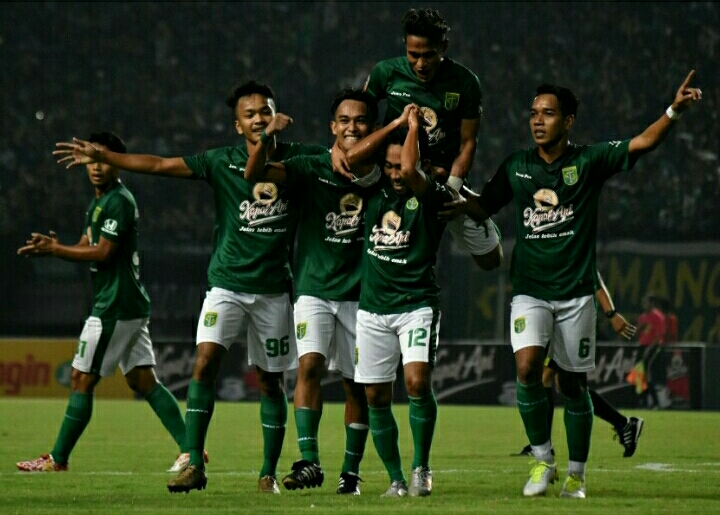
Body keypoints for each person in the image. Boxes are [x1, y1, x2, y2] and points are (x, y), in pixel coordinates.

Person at [54, 82, 328, 494]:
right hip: (226, 286)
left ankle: (267, 473)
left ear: (276, 113)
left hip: (274, 290)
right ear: (237, 126)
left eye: (264, 111)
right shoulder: (221, 162)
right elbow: (160, 165)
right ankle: (194, 463)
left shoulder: (302, 159)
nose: (258, 118)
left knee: (271, 382)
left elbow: (341, 167)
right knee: (204, 362)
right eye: (249, 114)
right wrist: (106, 156)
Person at [445, 71, 701, 498]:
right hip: (529, 289)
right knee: (527, 369)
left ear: (569, 121)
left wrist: (673, 110)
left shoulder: (588, 161)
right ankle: (543, 460)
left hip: (577, 295)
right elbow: (483, 206)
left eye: (548, 113)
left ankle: (577, 475)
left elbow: (642, 143)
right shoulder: (516, 166)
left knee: (573, 385)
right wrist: (449, 194)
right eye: (533, 114)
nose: (537, 120)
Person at [16, 131, 194, 474]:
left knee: (81, 378)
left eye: (104, 159)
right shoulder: (98, 203)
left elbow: (103, 252)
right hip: (124, 303)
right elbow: (86, 245)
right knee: (143, 381)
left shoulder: (120, 201)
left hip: (115, 304)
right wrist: (57, 247)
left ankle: (57, 459)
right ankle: (192, 449)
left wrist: (56, 251)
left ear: (116, 163)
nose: (96, 167)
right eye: (92, 160)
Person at [243, 89, 381, 495]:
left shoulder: (381, 171)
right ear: (332, 126)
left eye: (360, 121)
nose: (351, 127)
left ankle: (350, 474)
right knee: (309, 367)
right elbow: (255, 173)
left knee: (357, 385)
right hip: (314, 289)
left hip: (361, 294)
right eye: (344, 120)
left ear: (371, 127)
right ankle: (308, 461)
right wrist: (268, 133)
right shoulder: (310, 165)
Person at [346, 105, 454, 497]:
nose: (395, 173)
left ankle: (421, 468)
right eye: (389, 166)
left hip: (416, 304)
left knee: (416, 382)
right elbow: (350, 156)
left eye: (400, 165)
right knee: (375, 395)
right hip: (373, 308)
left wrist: (412, 127)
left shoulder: (431, 194)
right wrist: (394, 124)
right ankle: (394, 478)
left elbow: (411, 172)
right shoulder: (374, 189)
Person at [360, 7, 503, 272]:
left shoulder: (465, 82)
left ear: (444, 46)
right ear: (405, 45)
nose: (421, 64)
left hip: (444, 178)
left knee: (491, 259)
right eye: (413, 55)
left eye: (429, 55)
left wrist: (452, 186)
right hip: (397, 176)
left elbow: (468, 142)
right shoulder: (386, 73)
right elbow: (359, 118)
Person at [515, 272, 644, 459]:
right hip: (558, 315)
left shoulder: (573, 247)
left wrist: (611, 313)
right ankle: (624, 424)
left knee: (552, 378)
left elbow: (594, 275)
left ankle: (543, 445)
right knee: (562, 382)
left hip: (573, 318)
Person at [635, 293, 668, 408]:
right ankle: (643, 400)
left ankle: (655, 402)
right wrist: (639, 329)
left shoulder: (658, 316)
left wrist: (650, 348)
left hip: (653, 347)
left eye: (647, 302)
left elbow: (659, 335)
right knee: (639, 374)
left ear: (652, 303)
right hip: (643, 345)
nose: (644, 305)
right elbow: (638, 333)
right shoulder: (643, 317)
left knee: (648, 373)